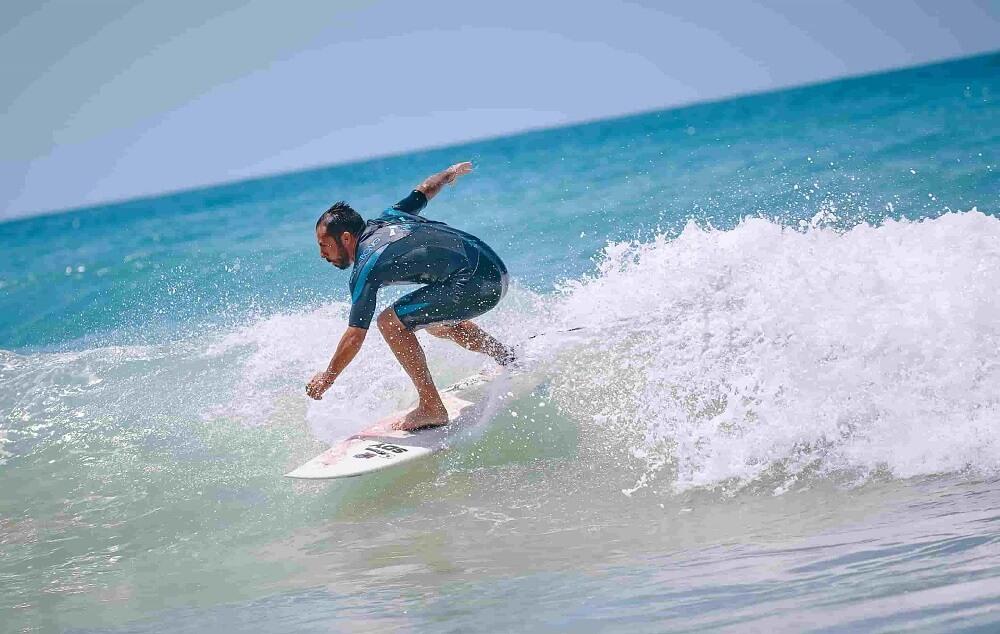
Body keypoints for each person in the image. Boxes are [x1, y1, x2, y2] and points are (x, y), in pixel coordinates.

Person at [305, 161, 515, 430]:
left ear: (346, 238)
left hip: (477, 285)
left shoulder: (366, 266)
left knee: (390, 323)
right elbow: (425, 190)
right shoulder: (391, 216)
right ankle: (505, 356)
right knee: (434, 324)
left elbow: (355, 335)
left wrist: (327, 378)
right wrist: (449, 174)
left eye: (325, 245)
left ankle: (431, 407)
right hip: (495, 271)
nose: (323, 254)